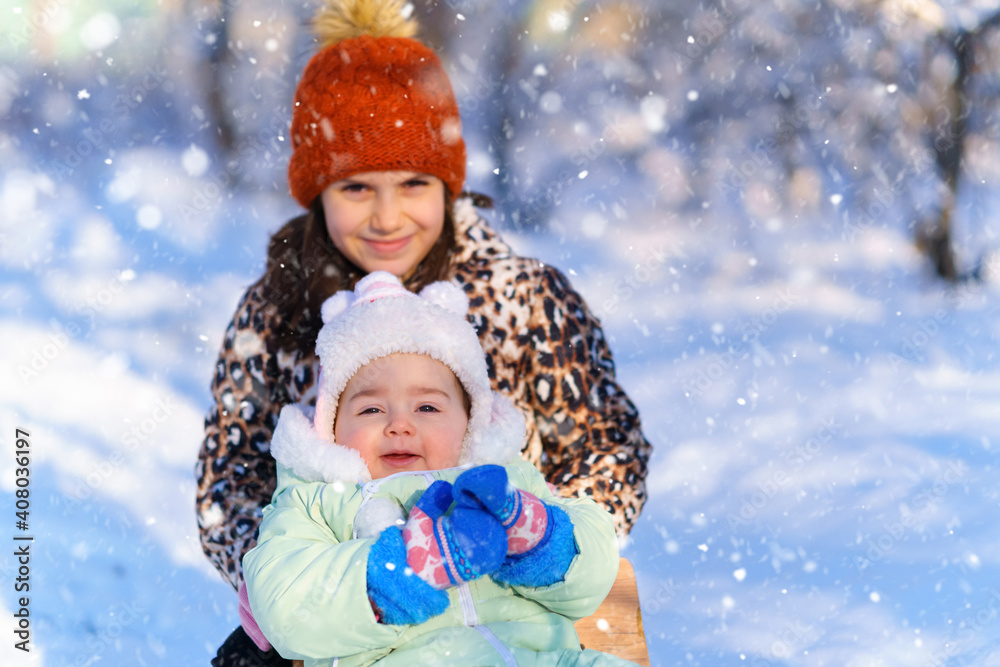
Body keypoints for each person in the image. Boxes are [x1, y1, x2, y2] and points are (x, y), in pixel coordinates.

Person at [195, 0, 652, 662]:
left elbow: (606, 447)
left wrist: (538, 539)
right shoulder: (277, 311)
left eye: (413, 183)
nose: (387, 216)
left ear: (447, 185)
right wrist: (301, 572)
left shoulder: (522, 296)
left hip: (516, 585)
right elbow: (229, 476)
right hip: (344, 584)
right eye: (356, 188)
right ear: (318, 190)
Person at [237, 271, 636, 666]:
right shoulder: (314, 504)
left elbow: (593, 575)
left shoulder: (509, 482)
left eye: (427, 407)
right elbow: (287, 607)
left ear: (470, 422)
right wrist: (406, 568)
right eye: (371, 409)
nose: (399, 424)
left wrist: (543, 542)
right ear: (331, 426)